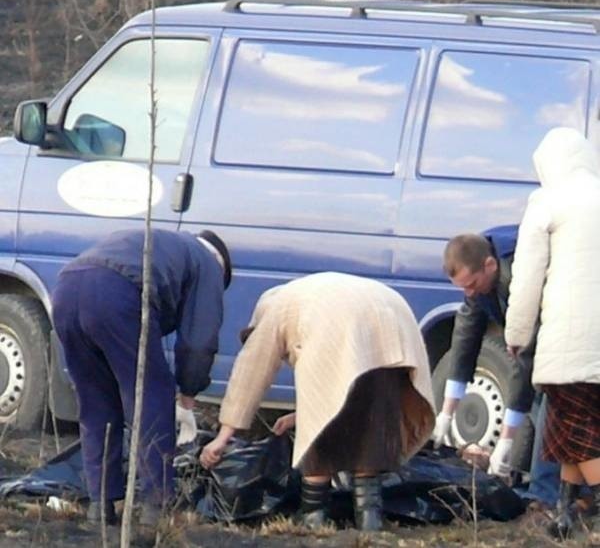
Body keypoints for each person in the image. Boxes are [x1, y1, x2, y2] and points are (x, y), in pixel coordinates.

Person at [199, 272, 435, 531]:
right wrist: (299, 415)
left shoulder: (276, 309)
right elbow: (347, 394)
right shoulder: (307, 295)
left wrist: (223, 437)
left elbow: (250, 374)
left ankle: (313, 516)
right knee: (374, 417)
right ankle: (370, 518)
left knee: (319, 433)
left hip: (346, 321)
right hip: (393, 318)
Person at [52, 228, 231, 526]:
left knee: (96, 402)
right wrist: (187, 396)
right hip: (115, 292)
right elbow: (199, 342)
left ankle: (101, 505)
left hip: (66, 289)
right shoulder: (209, 263)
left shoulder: (166, 245)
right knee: (152, 395)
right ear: (221, 264)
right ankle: (154, 510)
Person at [504, 127, 600, 540]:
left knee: (574, 428)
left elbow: (526, 277)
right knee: (573, 433)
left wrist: (517, 333)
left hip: (569, 341)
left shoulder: (546, 201)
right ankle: (565, 514)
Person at [433, 227, 536, 477]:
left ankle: (547, 496)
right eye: (463, 288)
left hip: (554, 339)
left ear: (490, 265)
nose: (469, 293)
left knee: (548, 407)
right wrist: (446, 413)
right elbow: (464, 339)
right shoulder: (480, 282)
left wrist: (506, 439)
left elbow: (526, 355)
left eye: (472, 284)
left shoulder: (519, 273)